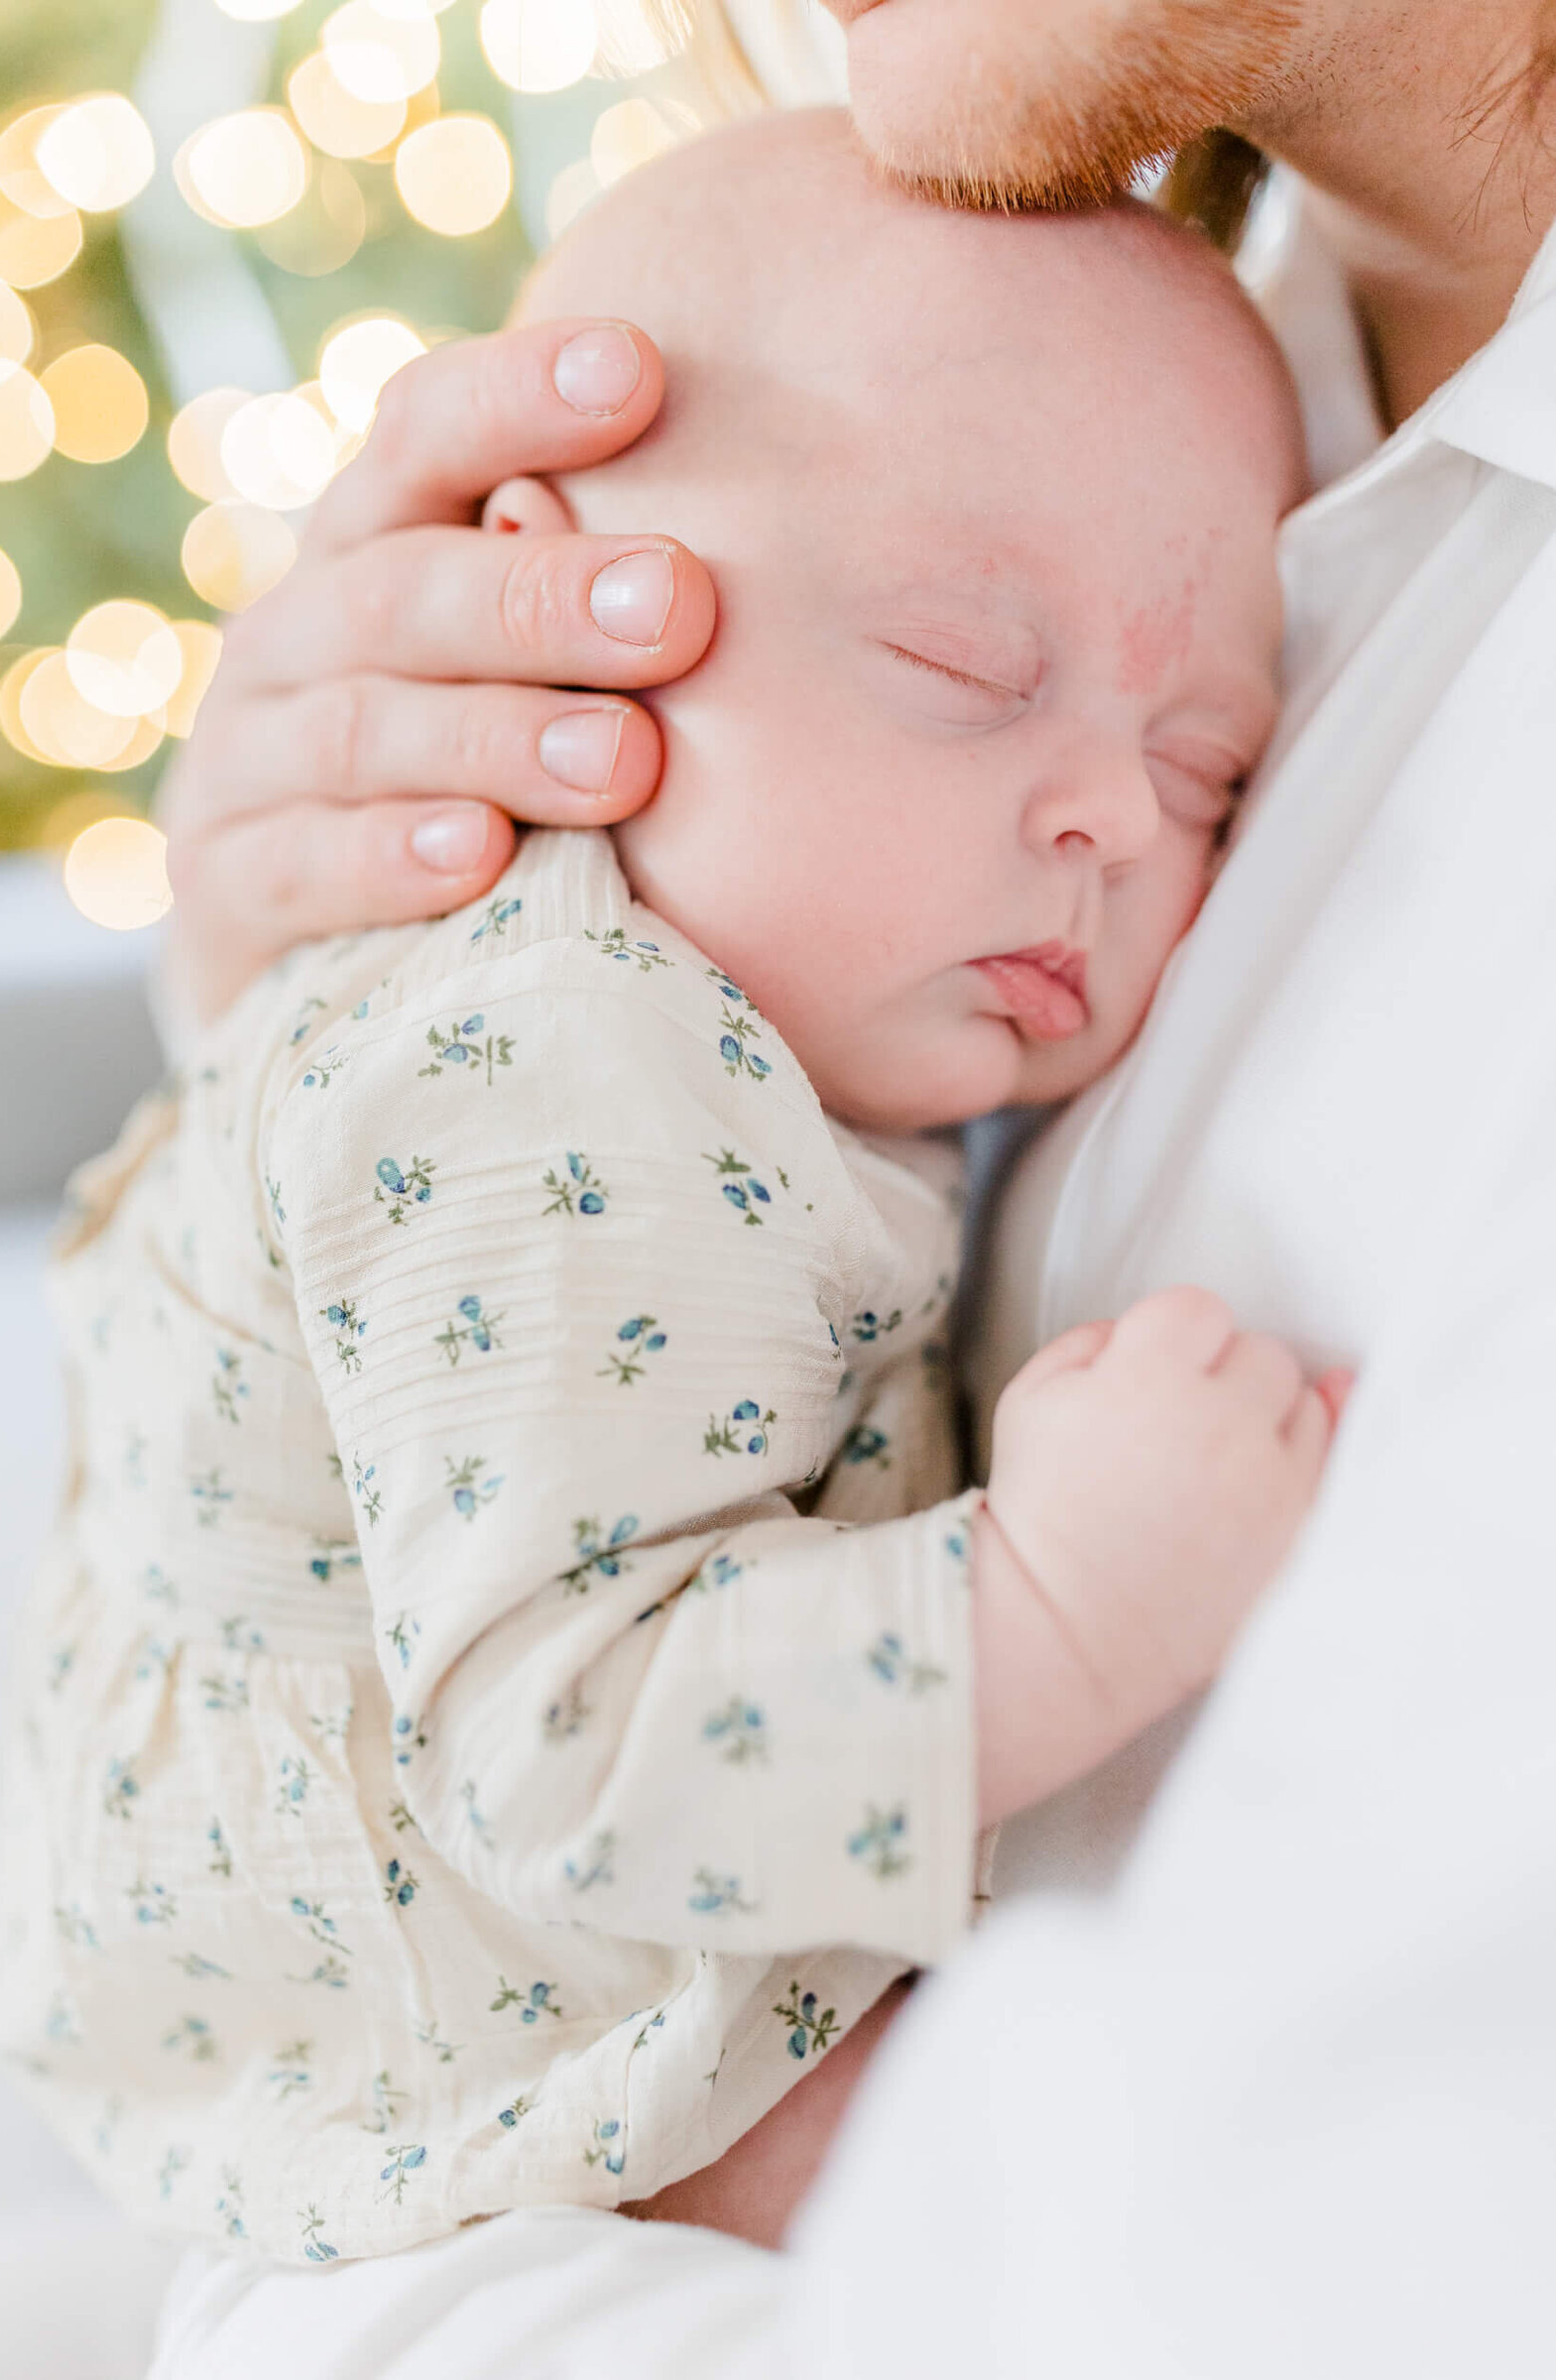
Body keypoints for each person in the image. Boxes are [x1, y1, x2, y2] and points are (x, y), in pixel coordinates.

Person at [136, 0, 1556, 2371]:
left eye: (1202, 772)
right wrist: (321, 1038)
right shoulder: (1114, 349)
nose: (1113, 820)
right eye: (950, 659)